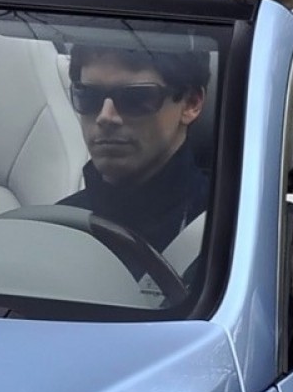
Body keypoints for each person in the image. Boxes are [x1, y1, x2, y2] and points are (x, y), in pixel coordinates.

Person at [61, 42, 212, 257]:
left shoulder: (235, 231)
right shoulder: (52, 228)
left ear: (191, 103)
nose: (106, 116)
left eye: (136, 98)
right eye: (87, 96)